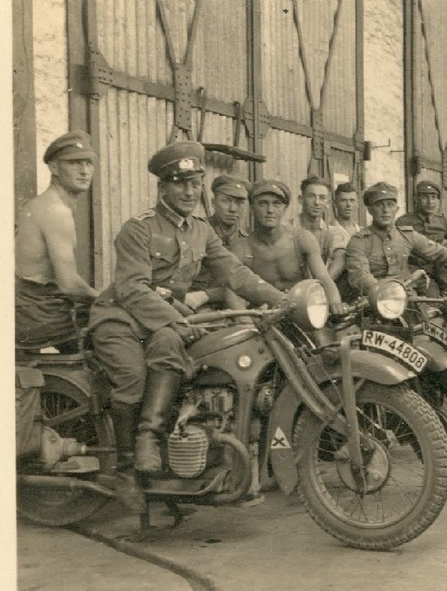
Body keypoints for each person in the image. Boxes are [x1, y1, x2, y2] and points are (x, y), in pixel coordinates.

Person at [88, 140, 290, 512]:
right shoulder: (138, 229)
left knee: (206, 358)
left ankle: (188, 450)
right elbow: (133, 289)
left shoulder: (201, 230)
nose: (188, 191)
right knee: (136, 375)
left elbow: (235, 272)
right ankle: (131, 464)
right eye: (179, 183)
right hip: (120, 319)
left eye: (194, 183)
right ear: (162, 187)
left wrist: (282, 300)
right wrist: (177, 318)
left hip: (166, 318)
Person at [16, 131, 99, 351]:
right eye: (74, 163)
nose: (84, 171)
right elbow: (70, 285)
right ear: (54, 168)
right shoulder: (55, 211)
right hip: (40, 315)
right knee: (119, 327)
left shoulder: (46, 204)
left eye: (88, 163)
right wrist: (105, 299)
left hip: (34, 311)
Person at [228, 179, 344, 313]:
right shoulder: (241, 247)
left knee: (330, 333)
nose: (270, 210)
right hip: (264, 315)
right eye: (263, 204)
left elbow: (323, 278)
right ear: (252, 208)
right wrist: (246, 321)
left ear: (284, 208)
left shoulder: (302, 239)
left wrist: (335, 302)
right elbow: (231, 293)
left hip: (302, 310)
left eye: (276, 204)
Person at [345, 182, 447, 297]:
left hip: (407, 298)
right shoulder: (359, 241)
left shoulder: (407, 235)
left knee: (436, 320)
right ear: (370, 210)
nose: (385, 210)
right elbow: (360, 276)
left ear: (396, 209)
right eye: (379, 205)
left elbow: (442, 253)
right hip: (375, 301)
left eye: (390, 205)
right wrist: (387, 292)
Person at [185, 174, 251, 311]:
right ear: (214, 203)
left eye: (239, 203)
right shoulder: (195, 232)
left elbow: (248, 285)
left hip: (234, 308)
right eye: (226, 201)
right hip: (194, 307)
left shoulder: (249, 241)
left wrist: (209, 295)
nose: (233, 209)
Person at [290, 175, 346, 281]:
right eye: (311, 196)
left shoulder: (332, 232)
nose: (317, 202)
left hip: (319, 289)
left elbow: (340, 258)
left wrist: (323, 284)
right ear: (301, 200)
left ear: (328, 203)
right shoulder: (287, 228)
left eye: (322, 197)